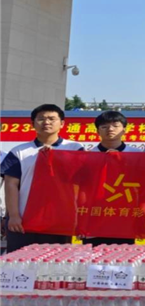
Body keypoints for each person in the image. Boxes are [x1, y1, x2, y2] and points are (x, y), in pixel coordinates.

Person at [0, 104, 84, 253]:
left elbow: (82, 181)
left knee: (55, 262)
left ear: (62, 123)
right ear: (33, 123)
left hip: (60, 220)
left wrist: (58, 158)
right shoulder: (19, 151)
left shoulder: (74, 148)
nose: (46, 122)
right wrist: (13, 215)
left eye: (52, 119)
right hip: (24, 220)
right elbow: (11, 184)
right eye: (41, 119)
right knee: (20, 261)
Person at [83, 110, 141, 245]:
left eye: (115, 126)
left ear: (124, 130)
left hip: (126, 213)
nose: (110, 129)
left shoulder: (137, 154)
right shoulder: (88, 156)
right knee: (94, 255)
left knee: (123, 255)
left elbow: (144, 183)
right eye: (104, 126)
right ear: (97, 131)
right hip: (95, 214)